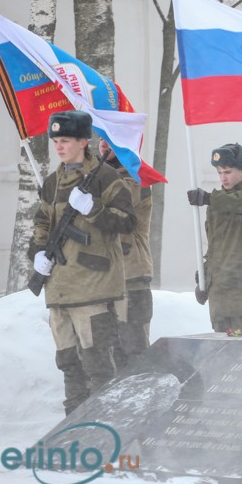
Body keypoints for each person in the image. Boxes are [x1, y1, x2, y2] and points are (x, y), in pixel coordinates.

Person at [28, 110, 136, 415]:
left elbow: (128, 222)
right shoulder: (52, 182)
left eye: (65, 140)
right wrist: (38, 253)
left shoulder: (105, 178)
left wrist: (94, 210)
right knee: (69, 364)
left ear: (83, 141)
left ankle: (104, 429)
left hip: (93, 290)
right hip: (59, 289)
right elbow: (42, 222)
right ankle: (73, 427)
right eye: (55, 141)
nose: (59, 147)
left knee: (97, 364)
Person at [187, 143, 242, 332]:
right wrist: (205, 277)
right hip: (221, 295)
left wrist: (209, 199)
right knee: (222, 349)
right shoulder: (220, 202)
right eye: (219, 172)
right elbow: (218, 247)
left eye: (227, 172)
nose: (222, 177)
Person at [98, 139, 154, 370]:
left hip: (131, 274)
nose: (103, 144)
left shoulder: (135, 179)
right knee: (108, 352)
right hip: (103, 276)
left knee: (134, 350)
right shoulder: (95, 177)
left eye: (110, 139)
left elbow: (117, 207)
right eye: (101, 138)